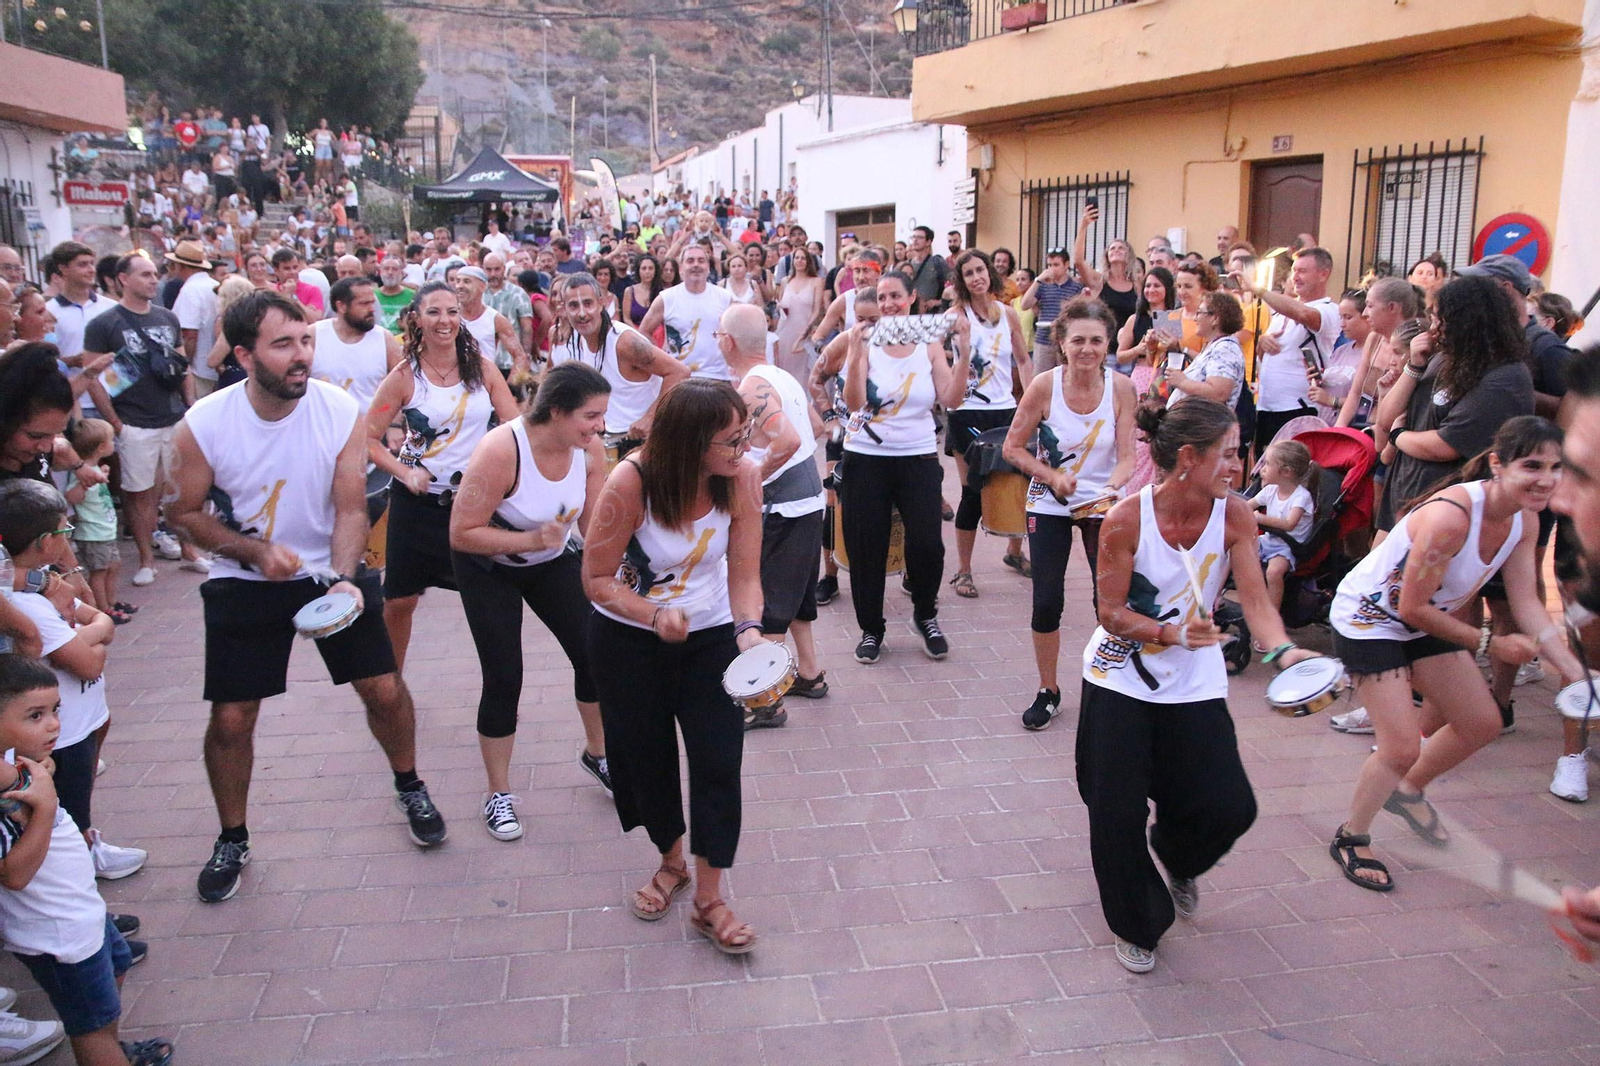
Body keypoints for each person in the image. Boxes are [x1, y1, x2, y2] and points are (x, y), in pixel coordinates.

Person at [169, 290, 448, 903]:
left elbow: (350, 506)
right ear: (244, 355)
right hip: (243, 578)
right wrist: (255, 552)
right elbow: (185, 514)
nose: (301, 356)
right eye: (283, 345)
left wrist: (346, 576)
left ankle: (410, 784)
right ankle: (233, 837)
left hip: (328, 571)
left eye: (305, 340)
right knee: (233, 716)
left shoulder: (337, 408)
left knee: (382, 687)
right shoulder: (204, 424)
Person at [1078, 399, 1316, 973]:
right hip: (1118, 679)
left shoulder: (1234, 515)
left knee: (1229, 805)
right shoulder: (1125, 519)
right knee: (1114, 811)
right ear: (1188, 458)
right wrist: (1170, 632)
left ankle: (1178, 855)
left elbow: (1256, 600)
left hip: (1194, 681)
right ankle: (1137, 923)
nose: (1241, 466)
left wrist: (1282, 650)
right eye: (1230, 454)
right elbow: (1110, 611)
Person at [1328, 416, 1580, 891]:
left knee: (1482, 722)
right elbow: (1410, 606)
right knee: (1400, 745)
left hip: (1424, 617)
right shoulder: (1451, 518)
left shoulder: (1524, 518)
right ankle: (1351, 835)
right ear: (1496, 464)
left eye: (1555, 467)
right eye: (1532, 465)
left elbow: (1526, 601)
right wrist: (1489, 643)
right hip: (1369, 621)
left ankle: (1405, 792)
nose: (1546, 479)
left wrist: (1576, 674)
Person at [581, 379, 767, 955]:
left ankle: (709, 899)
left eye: (745, 435)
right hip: (630, 642)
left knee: (718, 760)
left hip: (710, 638)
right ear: (690, 444)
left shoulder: (743, 478)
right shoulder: (630, 481)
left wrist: (750, 633)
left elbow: (744, 573)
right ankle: (671, 860)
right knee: (646, 759)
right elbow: (595, 579)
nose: (743, 449)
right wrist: (653, 612)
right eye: (730, 441)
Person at [451, 364, 613, 839]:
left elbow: (595, 527)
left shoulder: (590, 450)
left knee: (593, 651)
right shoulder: (503, 449)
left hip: (548, 557)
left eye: (602, 415)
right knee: (505, 675)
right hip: (488, 566)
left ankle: (598, 755)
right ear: (557, 412)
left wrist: (627, 571)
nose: (600, 426)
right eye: (591, 415)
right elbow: (461, 534)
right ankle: (498, 794)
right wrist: (529, 540)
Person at [0, 655, 172, 1066]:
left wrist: (41, 773)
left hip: (80, 914)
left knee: (116, 967)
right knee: (89, 1028)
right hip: (56, 935)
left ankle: (110, 1047)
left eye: (55, 711)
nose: (54, 724)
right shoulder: (9, 799)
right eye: (35, 715)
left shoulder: (16, 768)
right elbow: (14, 873)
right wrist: (45, 806)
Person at [367, 281, 519, 672]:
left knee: (488, 599)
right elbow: (367, 438)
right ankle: (391, 682)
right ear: (416, 319)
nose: (444, 320)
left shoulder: (482, 369)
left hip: (472, 504)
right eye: (434, 312)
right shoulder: (404, 377)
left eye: (452, 311)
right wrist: (404, 471)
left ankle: (501, 677)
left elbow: (514, 425)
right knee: (400, 600)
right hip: (416, 506)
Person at [0, 478, 147, 874]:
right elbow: (89, 662)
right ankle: (83, 891)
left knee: (76, 808)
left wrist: (85, 634)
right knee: (63, 816)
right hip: (61, 737)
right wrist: (90, 635)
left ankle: (87, 859)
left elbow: (102, 620)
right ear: (46, 541)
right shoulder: (27, 604)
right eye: (65, 531)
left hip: (82, 722)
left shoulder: (47, 587)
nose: (67, 538)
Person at [1002, 299, 1135, 731]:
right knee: (1047, 600)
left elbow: (1128, 456)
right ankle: (1048, 690)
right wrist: (1052, 476)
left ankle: (1112, 688)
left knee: (1109, 602)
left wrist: (1114, 487)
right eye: (1077, 340)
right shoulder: (1044, 386)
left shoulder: (1121, 388)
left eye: (1096, 340)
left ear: (1108, 343)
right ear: (1061, 342)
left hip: (1102, 505)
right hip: (1049, 503)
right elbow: (1012, 448)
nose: (1087, 349)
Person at [839, 272, 972, 664]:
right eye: (882, 297)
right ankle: (871, 629)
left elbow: (952, 399)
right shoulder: (863, 341)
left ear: (912, 298)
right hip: (865, 457)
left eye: (896, 295)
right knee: (868, 547)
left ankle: (925, 614)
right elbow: (855, 403)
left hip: (916, 456)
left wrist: (962, 353)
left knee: (928, 543)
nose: (889, 304)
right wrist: (854, 354)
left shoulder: (929, 345)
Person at [721, 303, 828, 728]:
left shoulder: (753, 387)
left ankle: (765, 701)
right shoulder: (781, 374)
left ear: (728, 342)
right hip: (806, 500)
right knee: (797, 597)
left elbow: (788, 440)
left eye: (718, 336)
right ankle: (809, 673)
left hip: (787, 506)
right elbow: (816, 427)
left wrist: (752, 480)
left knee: (768, 606)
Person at [82, 254, 203, 590]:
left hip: (173, 416)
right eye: (145, 275)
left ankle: (190, 551)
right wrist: (116, 423)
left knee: (180, 488)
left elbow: (182, 365)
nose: (153, 280)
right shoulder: (104, 324)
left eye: (155, 274)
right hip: (134, 419)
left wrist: (189, 403)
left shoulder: (167, 318)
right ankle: (146, 558)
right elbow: (93, 377)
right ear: (123, 279)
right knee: (139, 494)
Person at [946, 250, 1033, 598]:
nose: (977, 277)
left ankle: (1014, 552)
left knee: (1016, 483)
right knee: (972, 492)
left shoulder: (1009, 314)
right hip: (966, 412)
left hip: (1005, 409)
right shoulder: (956, 316)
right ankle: (963, 571)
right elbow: (947, 364)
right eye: (969, 273)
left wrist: (1032, 401)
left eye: (980, 270)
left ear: (990, 273)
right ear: (962, 281)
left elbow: (1024, 360)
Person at [1234, 247, 1341, 454]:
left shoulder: (1328, 309)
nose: (1295, 277)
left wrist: (1259, 290)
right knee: (1264, 472)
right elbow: (1266, 357)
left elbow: (1303, 314)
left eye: (1302, 271)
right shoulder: (1280, 314)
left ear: (1323, 274)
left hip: (1299, 407)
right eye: (1294, 271)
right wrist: (1262, 344)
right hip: (1267, 407)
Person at [640, 244, 735, 381]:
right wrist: (662, 360)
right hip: (679, 377)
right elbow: (644, 332)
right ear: (681, 269)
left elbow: (737, 335)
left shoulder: (725, 297)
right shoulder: (666, 298)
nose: (696, 265)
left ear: (708, 267)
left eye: (701, 261)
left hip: (718, 377)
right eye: (690, 261)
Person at [63, 420, 128, 621]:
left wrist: (102, 474)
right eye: (110, 440)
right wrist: (84, 485)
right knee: (99, 571)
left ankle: (111, 601)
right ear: (101, 447)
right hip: (92, 533)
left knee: (114, 566)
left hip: (104, 531)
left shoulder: (94, 468)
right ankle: (102, 609)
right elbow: (70, 497)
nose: (113, 444)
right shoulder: (80, 474)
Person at [1251, 440, 1316, 614]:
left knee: (1274, 573)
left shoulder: (1301, 497)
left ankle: (1271, 617)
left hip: (1287, 546)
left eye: (1268, 464)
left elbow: (1289, 524)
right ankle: (1216, 598)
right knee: (1232, 552)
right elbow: (1245, 507)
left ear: (1285, 472)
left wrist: (1259, 517)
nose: (1262, 468)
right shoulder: (1270, 490)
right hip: (1268, 539)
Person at [1165, 290, 1244, 410]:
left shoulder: (1225, 349)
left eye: (1199, 312)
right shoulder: (1214, 346)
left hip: (1205, 425)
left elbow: (1219, 393)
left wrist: (1182, 382)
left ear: (1215, 319)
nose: (1195, 318)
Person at [1071, 207, 1139, 335]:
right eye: (1112, 249)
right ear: (1107, 255)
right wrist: (1084, 225)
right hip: (1104, 344)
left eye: (1121, 248)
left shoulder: (1137, 285)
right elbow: (1078, 261)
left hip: (1128, 347)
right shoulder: (1099, 281)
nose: (1116, 250)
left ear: (1129, 255)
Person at [1020, 248, 1085, 357]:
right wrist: (1037, 280)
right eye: (1049, 265)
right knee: (1041, 373)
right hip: (1043, 340)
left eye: (1056, 265)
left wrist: (1060, 321)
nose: (1052, 269)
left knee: (1064, 372)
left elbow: (1078, 312)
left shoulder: (1076, 286)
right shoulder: (1043, 285)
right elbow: (1024, 305)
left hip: (1065, 339)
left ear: (1066, 265)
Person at [774, 247, 824, 383]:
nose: (799, 261)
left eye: (803, 258)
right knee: (784, 369)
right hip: (785, 331)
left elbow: (817, 310)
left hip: (804, 331)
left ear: (808, 261)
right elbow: (780, 303)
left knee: (804, 372)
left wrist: (806, 331)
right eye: (797, 258)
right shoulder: (786, 281)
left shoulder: (816, 281)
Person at [904, 226, 949, 314]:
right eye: (913, 237)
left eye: (920, 237)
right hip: (912, 314)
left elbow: (954, 287)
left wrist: (937, 302)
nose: (915, 240)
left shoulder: (938, 263)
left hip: (933, 314)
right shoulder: (907, 265)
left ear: (928, 242)